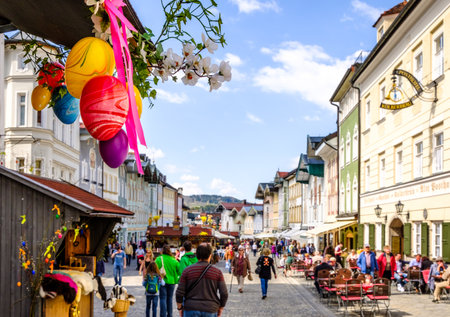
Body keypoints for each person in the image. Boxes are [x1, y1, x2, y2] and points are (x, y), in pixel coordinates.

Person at [176, 243, 228, 317]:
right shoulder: (217, 272)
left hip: (191, 308)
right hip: (210, 308)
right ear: (210, 256)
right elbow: (224, 293)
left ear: (197, 255)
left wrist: (180, 307)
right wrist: (221, 308)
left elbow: (179, 292)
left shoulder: (187, 271)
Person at [155, 245, 181, 317]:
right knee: (170, 299)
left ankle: (163, 315)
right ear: (170, 251)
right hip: (172, 282)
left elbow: (154, 269)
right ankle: (170, 315)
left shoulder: (158, 259)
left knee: (162, 298)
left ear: (162, 250)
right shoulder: (174, 260)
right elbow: (179, 271)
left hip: (162, 281)